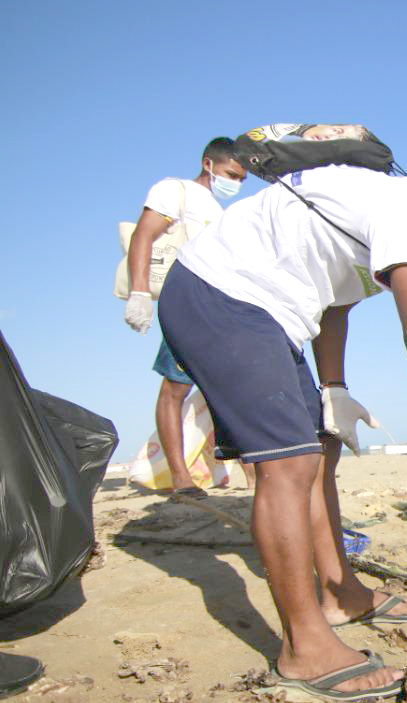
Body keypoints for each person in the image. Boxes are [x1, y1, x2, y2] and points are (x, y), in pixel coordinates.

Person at [158, 142, 407, 701]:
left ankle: (342, 594)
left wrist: (333, 390)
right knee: (288, 464)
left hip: (274, 313)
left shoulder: (391, 215)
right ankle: (303, 647)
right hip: (224, 294)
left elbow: (337, 299)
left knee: (321, 449)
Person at [123, 137, 248, 497]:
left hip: (220, 306)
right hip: (187, 303)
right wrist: (140, 292)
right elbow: (143, 236)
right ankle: (180, 477)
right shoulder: (174, 190)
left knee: (234, 391)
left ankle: (249, 474)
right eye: (231, 174)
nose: (235, 183)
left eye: (241, 178)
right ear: (209, 163)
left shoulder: (220, 211)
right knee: (176, 387)